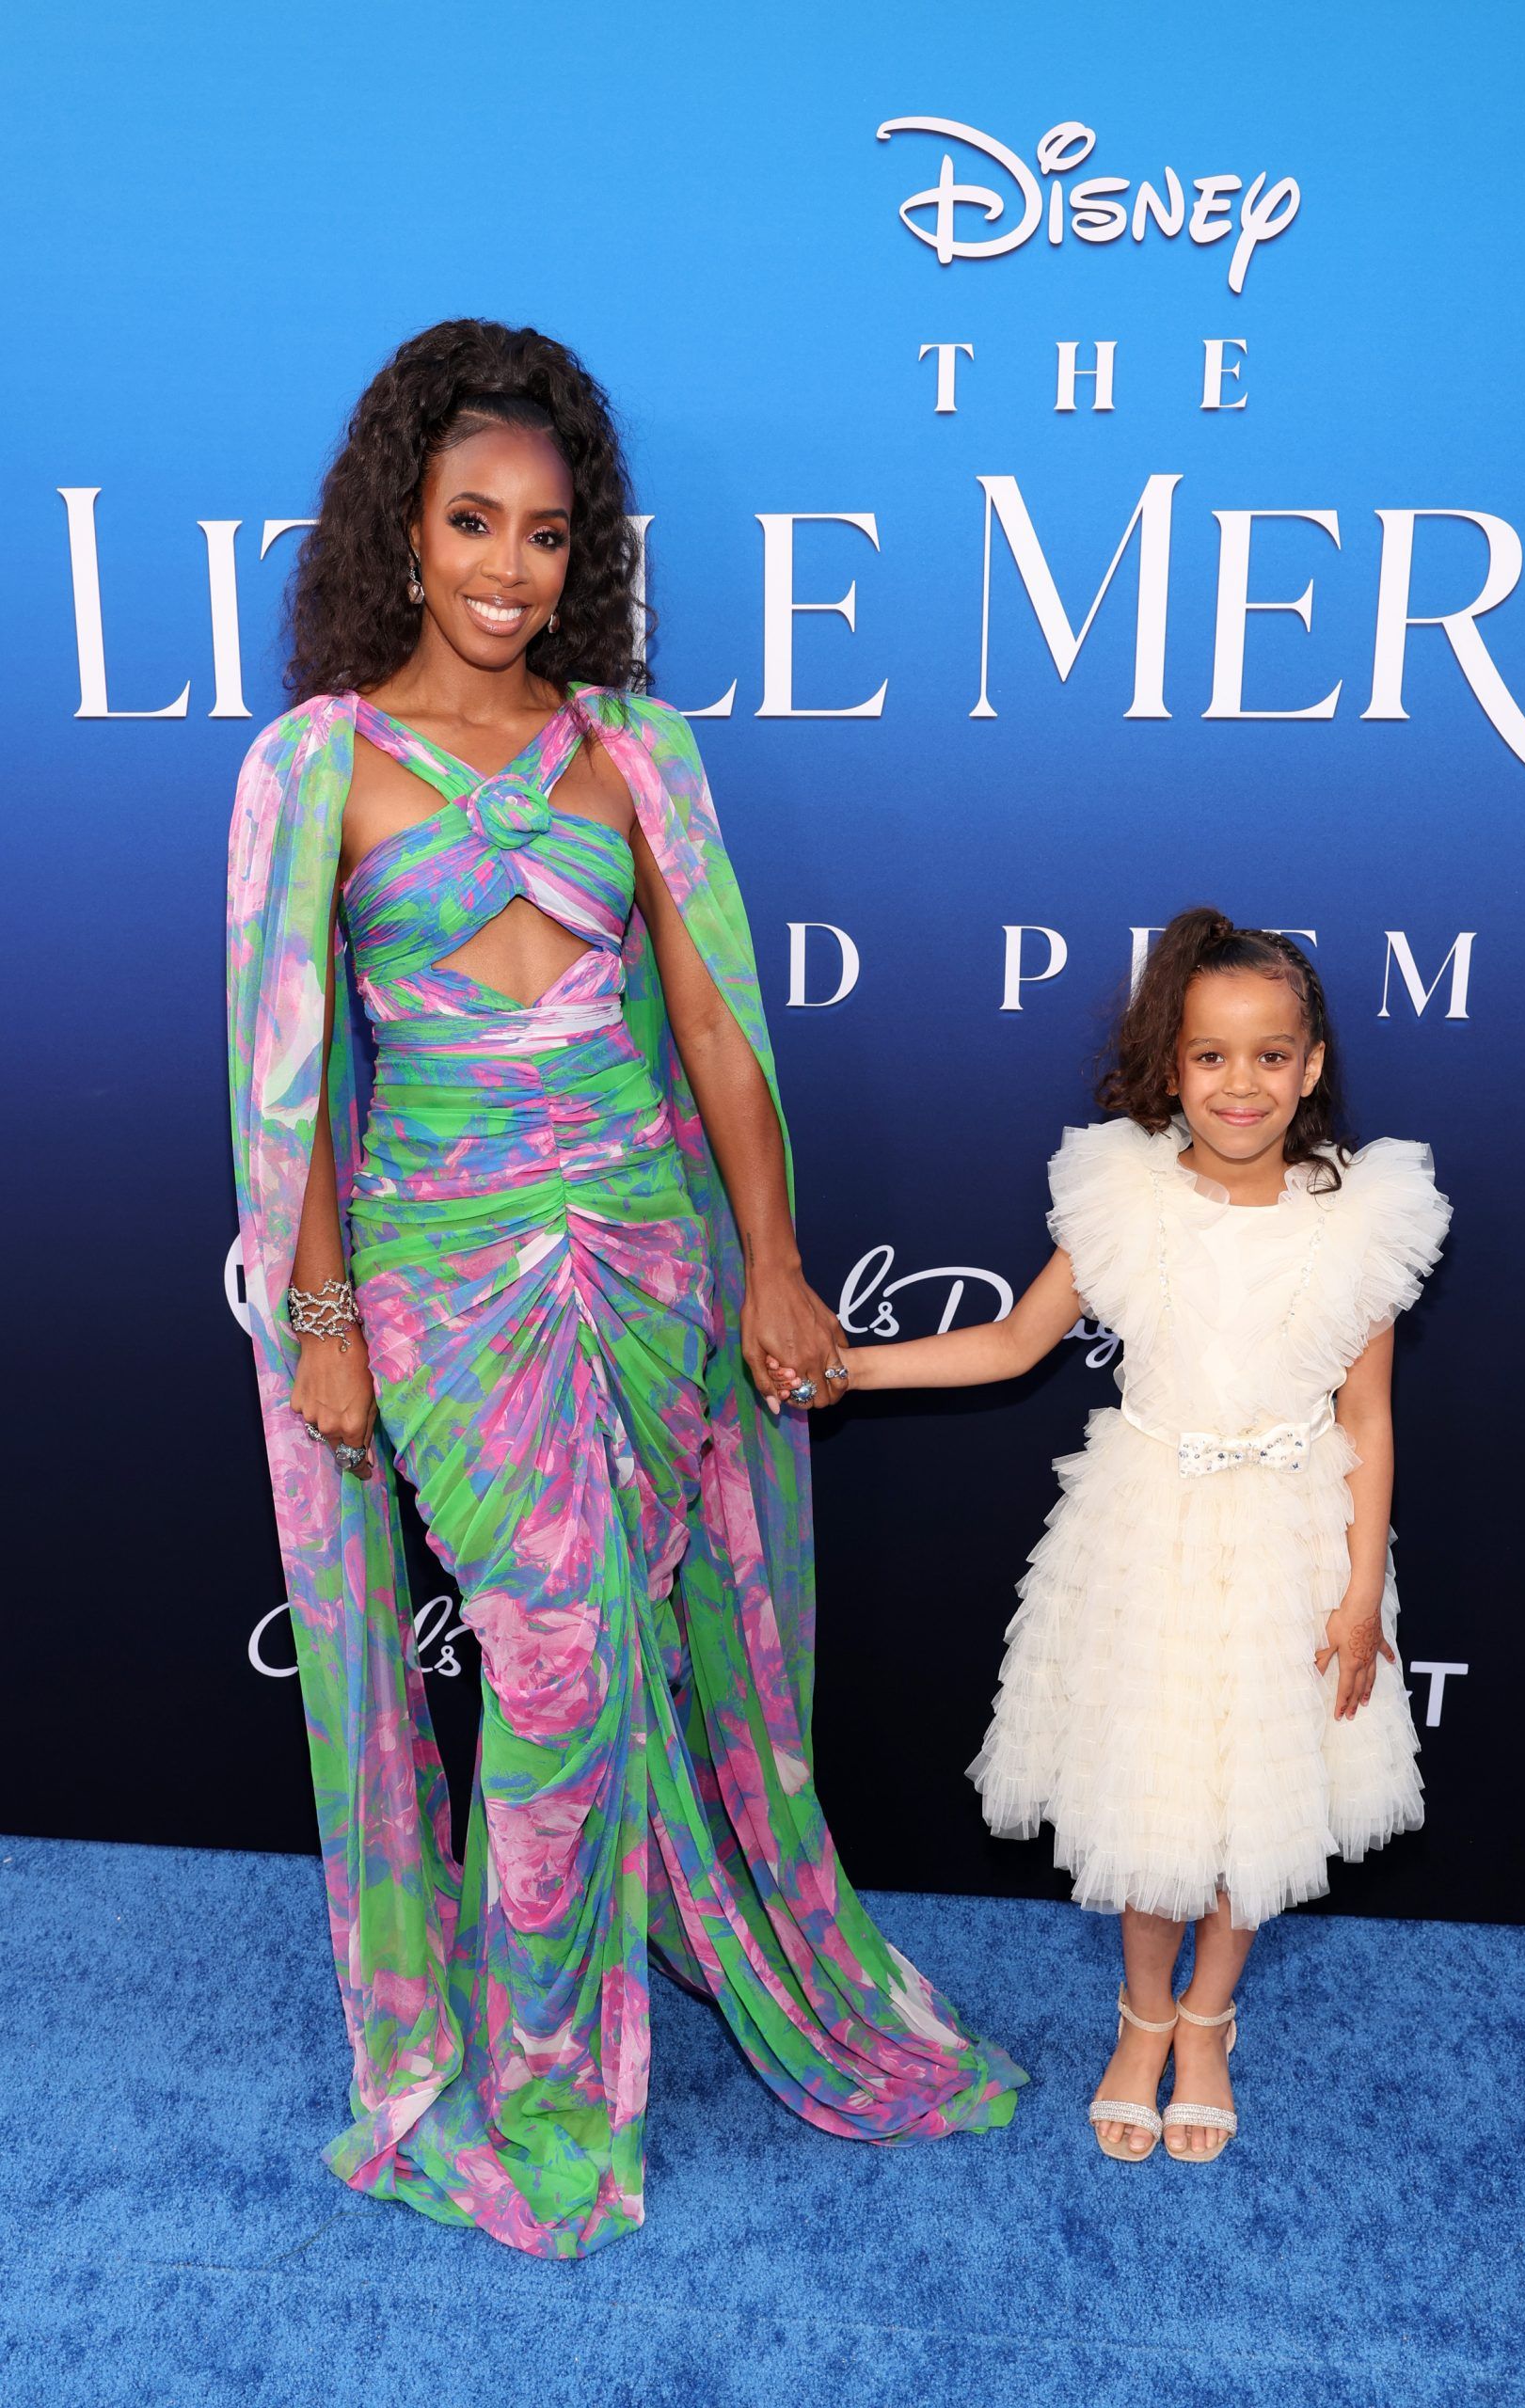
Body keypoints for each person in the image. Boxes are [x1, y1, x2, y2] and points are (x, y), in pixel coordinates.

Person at [226, 318, 1024, 2258]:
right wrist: (322, 1323)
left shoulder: (634, 750)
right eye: (471, 522)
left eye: (548, 532)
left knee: (622, 1654)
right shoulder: (314, 763)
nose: (509, 568)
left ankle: (624, 2007)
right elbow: (285, 1078)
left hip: (647, 1253)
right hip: (441, 1271)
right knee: (557, 1651)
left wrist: (774, 1264)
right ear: (402, 530)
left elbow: (719, 1027)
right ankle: (539, 2086)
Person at [774, 909, 1449, 2164]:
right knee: (1152, 1803)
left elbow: (1369, 1414)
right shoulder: (1124, 1196)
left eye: (1269, 1055)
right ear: (1170, 1067)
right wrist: (847, 1371)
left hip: (1296, 1536)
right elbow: (1010, 1342)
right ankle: (1143, 2017)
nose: (1239, 1084)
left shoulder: (1365, 1213)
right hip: (1147, 1531)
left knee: (1260, 1801)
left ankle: (1208, 2020)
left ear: (1309, 1066)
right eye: (1209, 1055)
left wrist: (1362, 1592)